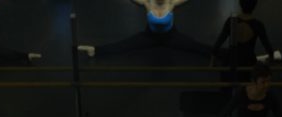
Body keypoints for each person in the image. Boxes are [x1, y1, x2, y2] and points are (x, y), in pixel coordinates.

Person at [77, 1, 212, 59]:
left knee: (195, 47)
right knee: (124, 45)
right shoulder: (148, 3)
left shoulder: (171, 3)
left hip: (171, 36)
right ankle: (95, 50)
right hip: (150, 36)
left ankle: (225, 53)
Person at [212, 0, 279, 81]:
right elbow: (268, 48)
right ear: (254, 6)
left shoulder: (231, 21)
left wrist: (213, 61)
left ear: (240, 4)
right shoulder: (258, 25)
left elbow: (218, 44)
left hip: (232, 60)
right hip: (248, 62)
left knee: (227, 86)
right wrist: (271, 60)